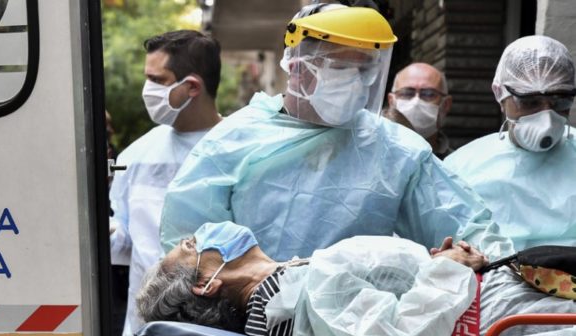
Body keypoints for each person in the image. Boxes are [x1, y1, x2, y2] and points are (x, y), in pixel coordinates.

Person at [159, 6, 513, 267]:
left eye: (365, 69)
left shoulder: (395, 148)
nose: (356, 81)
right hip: (248, 326)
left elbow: (470, 229)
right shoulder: (233, 141)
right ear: (297, 68)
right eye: (341, 67)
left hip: (361, 324)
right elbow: (187, 248)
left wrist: (475, 256)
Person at [138, 221, 576, 336]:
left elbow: (387, 314)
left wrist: (433, 268)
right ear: (206, 284)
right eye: (191, 245)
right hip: (515, 322)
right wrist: (447, 271)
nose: (203, 232)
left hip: (506, 306)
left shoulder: (293, 289)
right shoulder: (288, 306)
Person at [108, 29, 222, 336]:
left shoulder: (237, 150)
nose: (147, 90)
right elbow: (123, 244)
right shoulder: (138, 156)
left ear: (191, 87)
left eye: (156, 80)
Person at [444, 36, 576, 251]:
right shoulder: (462, 168)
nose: (547, 116)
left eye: (559, 101)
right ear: (500, 95)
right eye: (530, 102)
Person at [387, 63, 453, 158]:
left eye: (429, 94)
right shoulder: (372, 155)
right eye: (406, 93)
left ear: (446, 104)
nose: (416, 102)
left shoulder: (455, 163)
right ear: (391, 101)